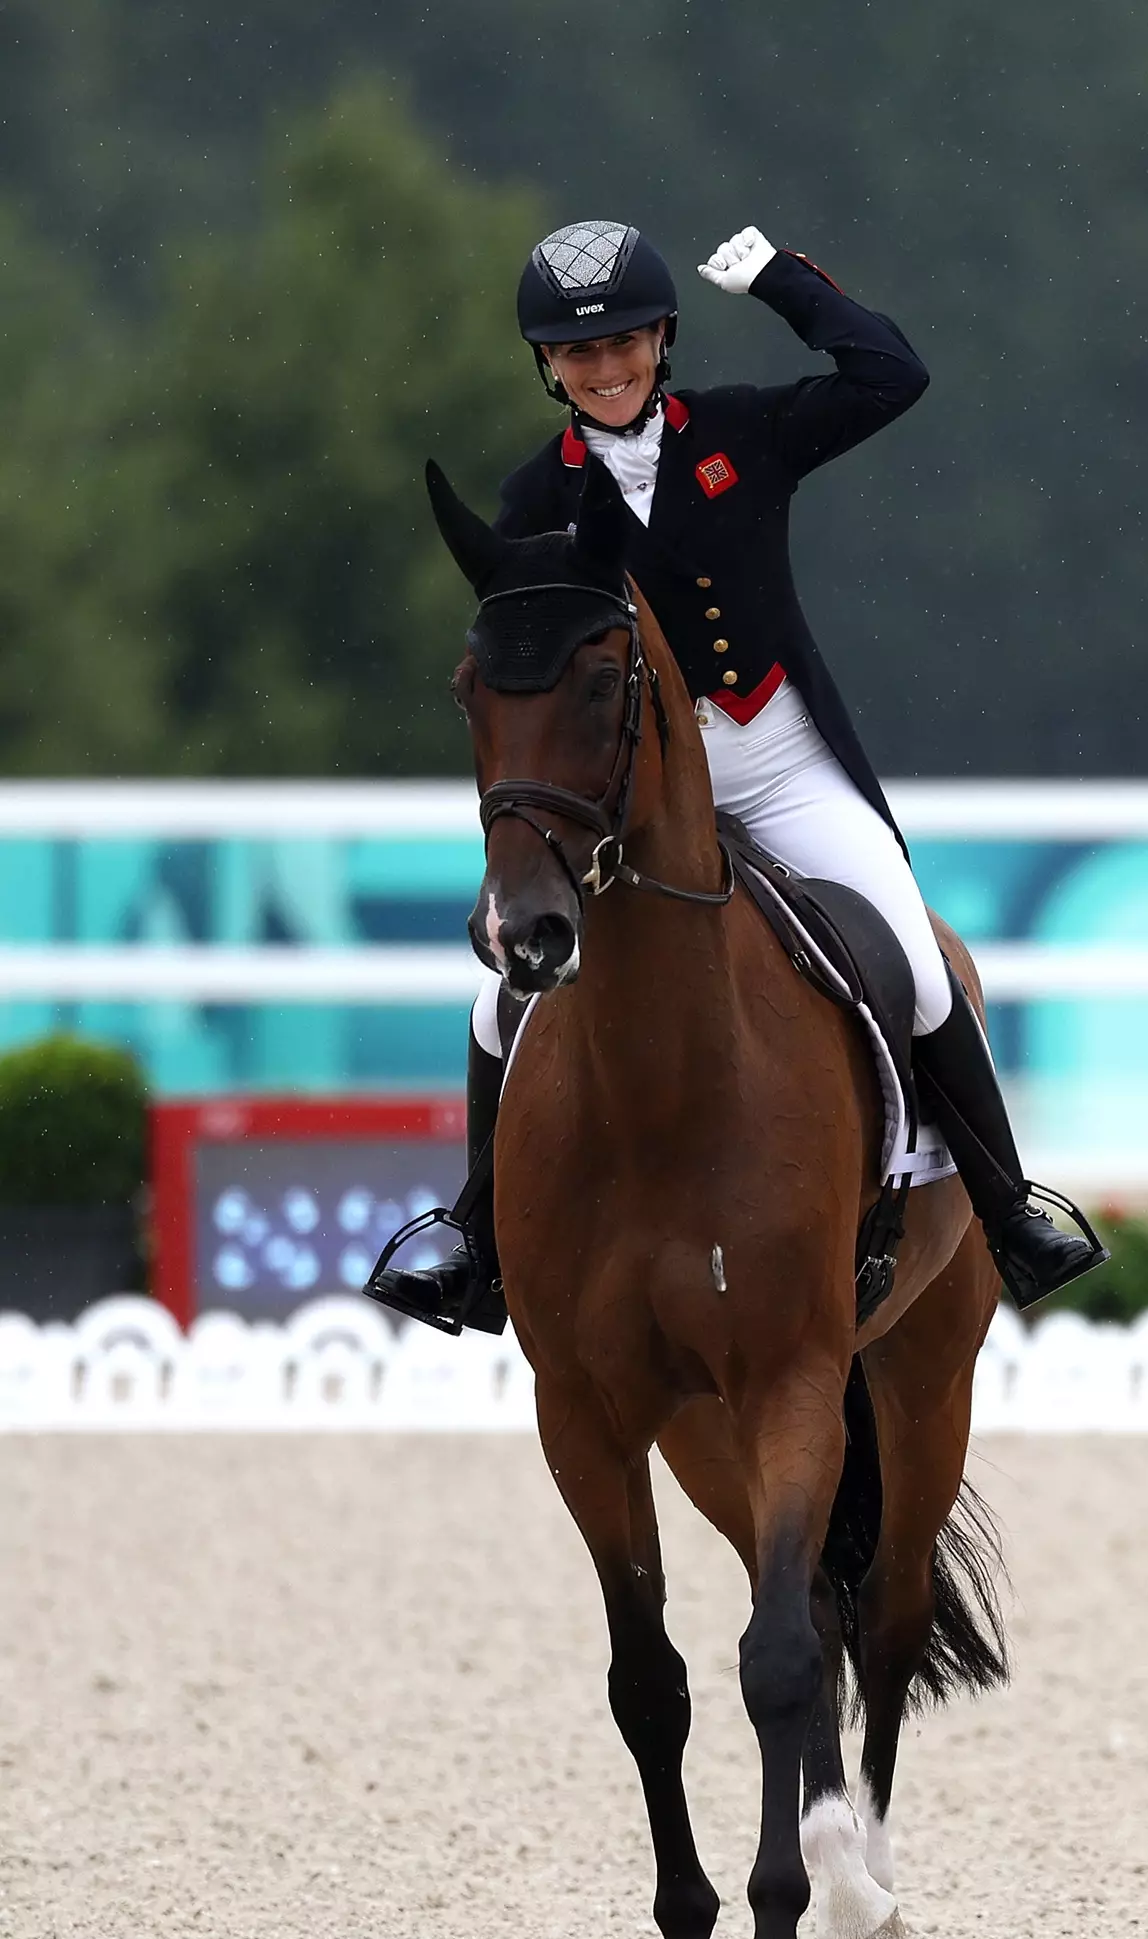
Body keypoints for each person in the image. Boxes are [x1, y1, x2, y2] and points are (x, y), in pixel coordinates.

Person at [368, 220, 1106, 1333]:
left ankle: (1010, 1210)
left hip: (779, 759)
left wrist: (780, 281)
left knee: (915, 966)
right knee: (497, 1002)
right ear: (549, 367)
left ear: (663, 339)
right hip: (634, 787)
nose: (606, 368)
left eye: (625, 342)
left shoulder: (742, 432)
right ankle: (478, 1243)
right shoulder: (531, 499)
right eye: (579, 353)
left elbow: (891, 376)